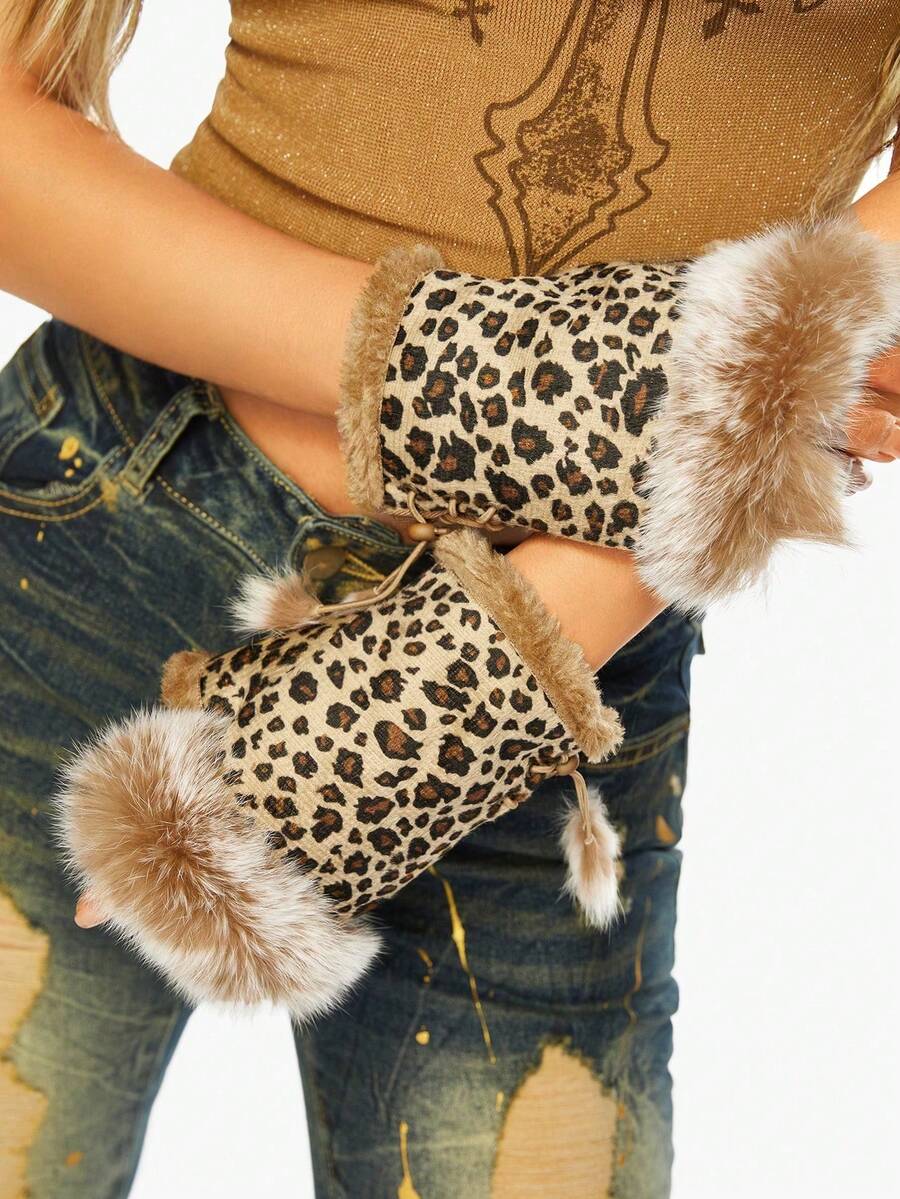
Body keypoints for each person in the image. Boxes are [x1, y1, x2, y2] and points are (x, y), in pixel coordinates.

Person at [1, 4, 899, 1197]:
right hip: (96, 521)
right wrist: (560, 386)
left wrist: (448, 684)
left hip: (569, 684)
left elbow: (836, 337)